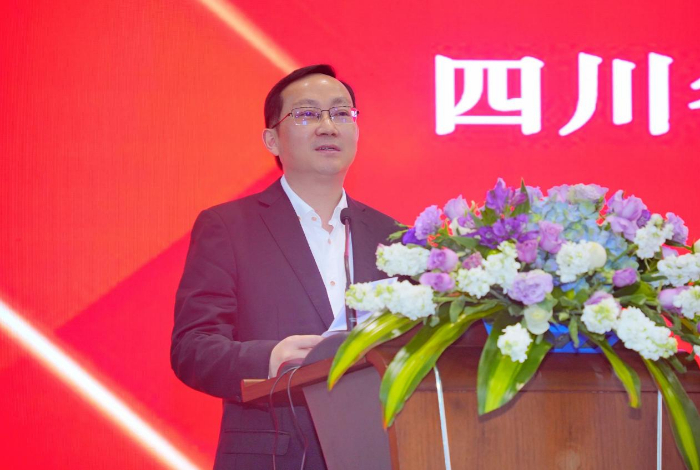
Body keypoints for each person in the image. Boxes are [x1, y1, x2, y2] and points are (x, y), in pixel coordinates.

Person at [171, 64, 397, 469]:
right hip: (274, 456)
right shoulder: (228, 227)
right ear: (272, 139)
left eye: (341, 113)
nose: (328, 126)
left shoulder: (395, 237)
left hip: (379, 451)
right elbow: (193, 347)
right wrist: (270, 358)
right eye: (307, 114)